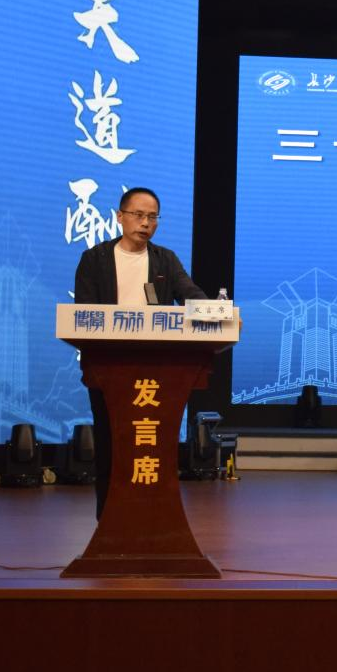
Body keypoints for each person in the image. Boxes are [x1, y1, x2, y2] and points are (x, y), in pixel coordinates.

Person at [73, 187, 207, 518]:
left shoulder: (165, 260)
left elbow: (189, 293)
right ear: (120, 217)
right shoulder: (95, 259)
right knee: (111, 443)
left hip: (156, 371)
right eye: (138, 215)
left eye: (152, 217)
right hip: (108, 370)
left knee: (151, 444)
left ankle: (152, 517)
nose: (145, 223)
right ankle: (108, 520)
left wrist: (218, 312)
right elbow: (83, 314)